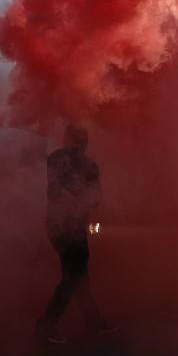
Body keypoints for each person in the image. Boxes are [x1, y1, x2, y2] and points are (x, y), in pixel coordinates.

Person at [37, 124, 113, 343]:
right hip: (63, 227)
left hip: (70, 227)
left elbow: (95, 198)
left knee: (79, 275)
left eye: (80, 141)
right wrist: (78, 196)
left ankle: (94, 322)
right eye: (77, 140)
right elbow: (54, 192)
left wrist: (80, 196)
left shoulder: (85, 165)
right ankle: (46, 325)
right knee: (73, 276)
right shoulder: (65, 161)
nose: (78, 146)